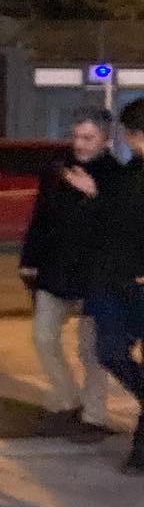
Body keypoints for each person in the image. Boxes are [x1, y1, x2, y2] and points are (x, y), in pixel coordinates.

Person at [19, 110, 118, 440]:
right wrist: (29, 260)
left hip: (95, 278)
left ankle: (94, 415)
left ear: (105, 139)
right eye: (76, 136)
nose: (80, 144)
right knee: (43, 337)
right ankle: (67, 400)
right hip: (55, 271)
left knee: (91, 351)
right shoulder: (57, 170)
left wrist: (94, 193)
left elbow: (119, 229)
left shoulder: (116, 176)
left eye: (88, 138)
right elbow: (40, 218)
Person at [68, 98, 144, 473]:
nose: (134, 141)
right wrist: (94, 196)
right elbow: (111, 224)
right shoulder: (128, 174)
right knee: (109, 351)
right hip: (116, 282)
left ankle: (140, 452)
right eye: (133, 135)